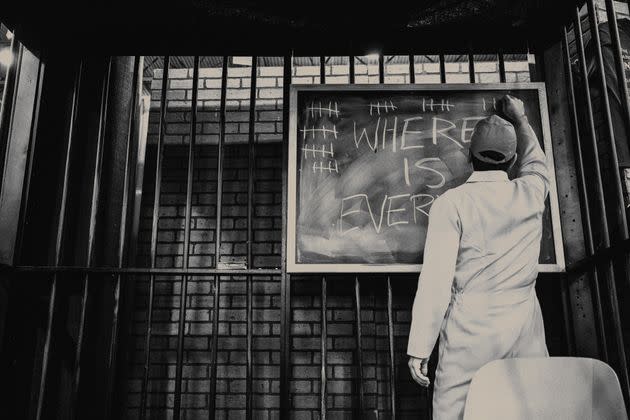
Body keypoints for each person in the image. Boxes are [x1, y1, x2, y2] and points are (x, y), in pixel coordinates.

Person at [406, 95, 550, 420]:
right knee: (528, 411)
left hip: (470, 331)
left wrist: (419, 347)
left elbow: (435, 283)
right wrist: (521, 118)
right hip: (524, 327)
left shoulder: (451, 203)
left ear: (470, 157)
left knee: (455, 413)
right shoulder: (532, 191)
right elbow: (536, 160)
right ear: (512, 161)